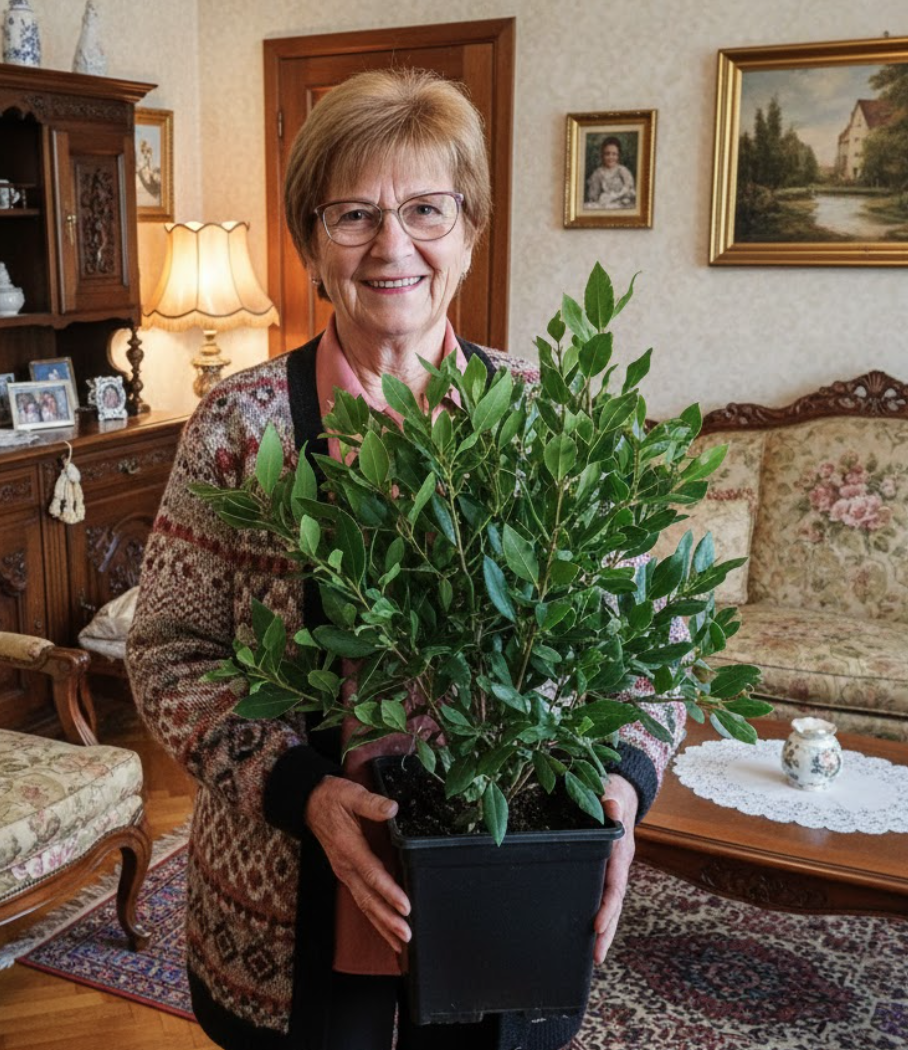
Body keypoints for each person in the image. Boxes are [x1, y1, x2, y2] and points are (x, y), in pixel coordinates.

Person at [127, 68, 684, 1050]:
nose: (392, 246)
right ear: (311, 243)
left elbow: (647, 644)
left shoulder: (551, 418)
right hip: (287, 897)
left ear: (470, 229)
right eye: (353, 215)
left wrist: (624, 779)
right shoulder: (239, 425)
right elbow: (168, 655)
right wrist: (301, 791)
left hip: (511, 877)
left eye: (427, 209)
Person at [585, 136, 636, 209]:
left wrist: (618, 196)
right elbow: (593, 197)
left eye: (614, 154)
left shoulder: (623, 171)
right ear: (602, 155)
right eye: (607, 154)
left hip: (622, 205)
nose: (610, 157)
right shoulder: (597, 173)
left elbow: (630, 191)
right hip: (604, 206)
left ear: (618, 155)